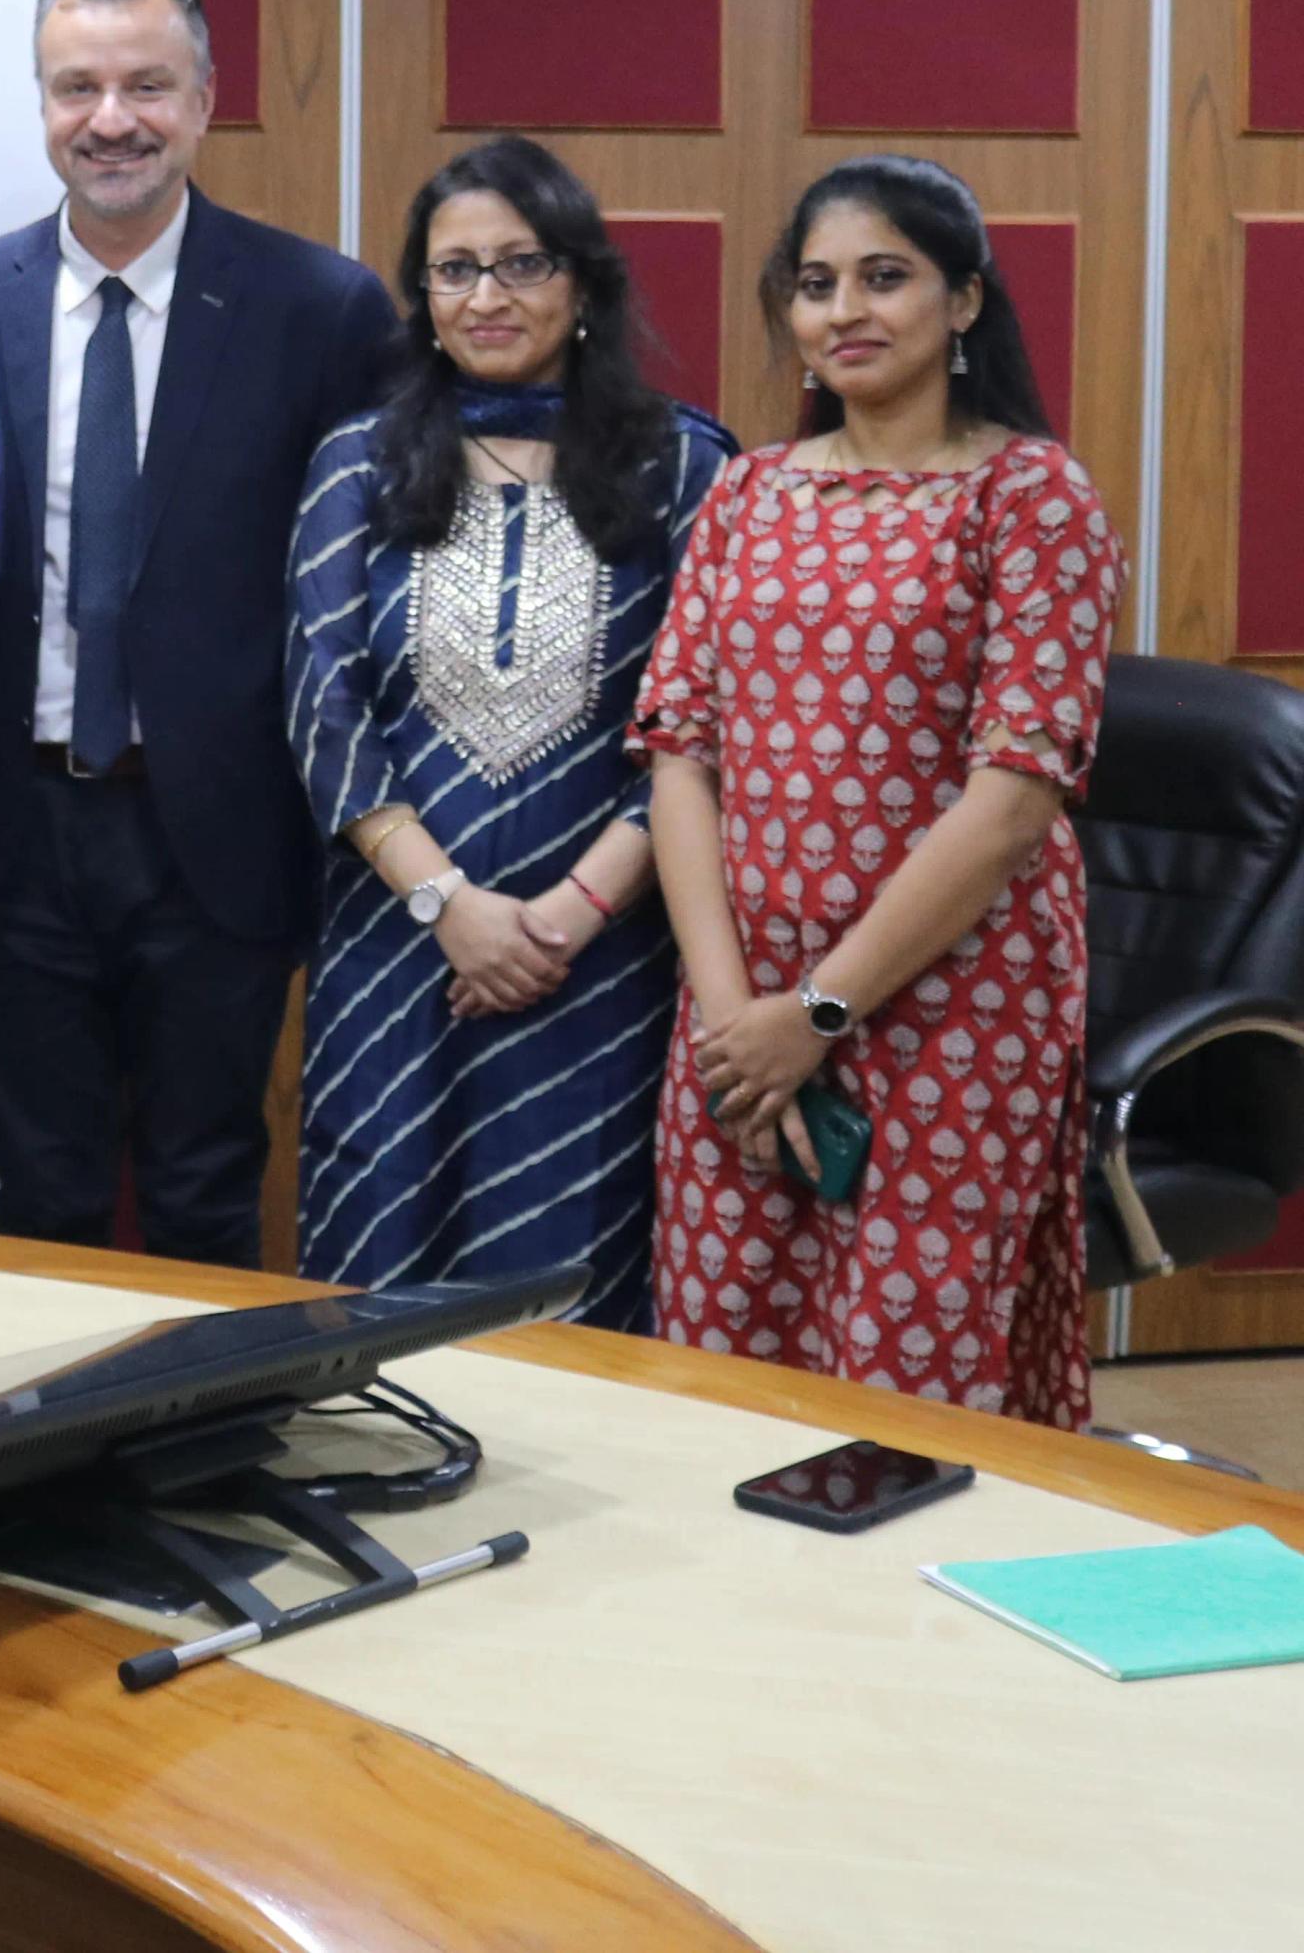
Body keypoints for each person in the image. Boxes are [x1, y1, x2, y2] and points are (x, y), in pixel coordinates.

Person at [634, 155, 1120, 1426]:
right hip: (740, 1006)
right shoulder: (746, 492)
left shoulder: (1031, 496)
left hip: (949, 1005)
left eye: (884, 277)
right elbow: (679, 753)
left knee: (909, 1388)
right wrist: (734, 1016)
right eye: (815, 285)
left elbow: (1015, 798)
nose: (844, 310)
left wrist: (820, 1012)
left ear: (964, 301)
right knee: (718, 1368)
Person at [0, 0, 399, 1266]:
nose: (111, 119)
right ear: (41, 103)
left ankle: (208, 1409)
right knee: (42, 1199)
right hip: (12, 826)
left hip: (219, 835)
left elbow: (361, 587)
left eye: (147, 85)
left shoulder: (320, 308)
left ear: (204, 100)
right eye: (76, 86)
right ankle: (48, 1409)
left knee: (207, 1193)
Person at [285, 138, 734, 1328]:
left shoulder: (687, 468)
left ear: (582, 284)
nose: (486, 295)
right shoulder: (356, 464)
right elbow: (324, 708)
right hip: (400, 955)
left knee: (574, 1280)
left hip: (603, 962)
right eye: (455, 270)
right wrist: (450, 908)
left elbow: (699, 731)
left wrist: (565, 919)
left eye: (522, 263)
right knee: (378, 1269)